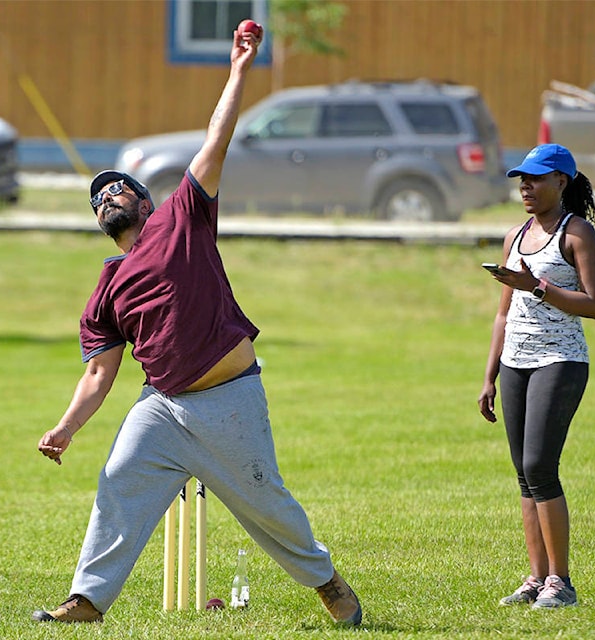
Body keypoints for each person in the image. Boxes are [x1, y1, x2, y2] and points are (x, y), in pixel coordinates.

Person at [31, 25, 361, 626]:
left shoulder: (183, 215)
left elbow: (218, 137)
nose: (106, 198)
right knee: (118, 483)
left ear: (145, 200)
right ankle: (87, 601)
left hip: (228, 399)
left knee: (269, 507)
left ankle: (327, 581)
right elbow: (101, 372)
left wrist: (238, 70)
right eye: (97, 199)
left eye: (117, 190)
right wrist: (65, 427)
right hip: (161, 406)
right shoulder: (107, 284)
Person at [478, 143, 595, 609]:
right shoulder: (514, 236)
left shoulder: (578, 234)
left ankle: (561, 583)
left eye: (536, 178)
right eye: (521, 179)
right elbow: (502, 314)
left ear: (561, 183)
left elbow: (594, 305)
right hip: (515, 363)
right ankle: (536, 579)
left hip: (561, 360)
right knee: (523, 474)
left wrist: (538, 285)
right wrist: (490, 375)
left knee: (539, 467)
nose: (526, 187)